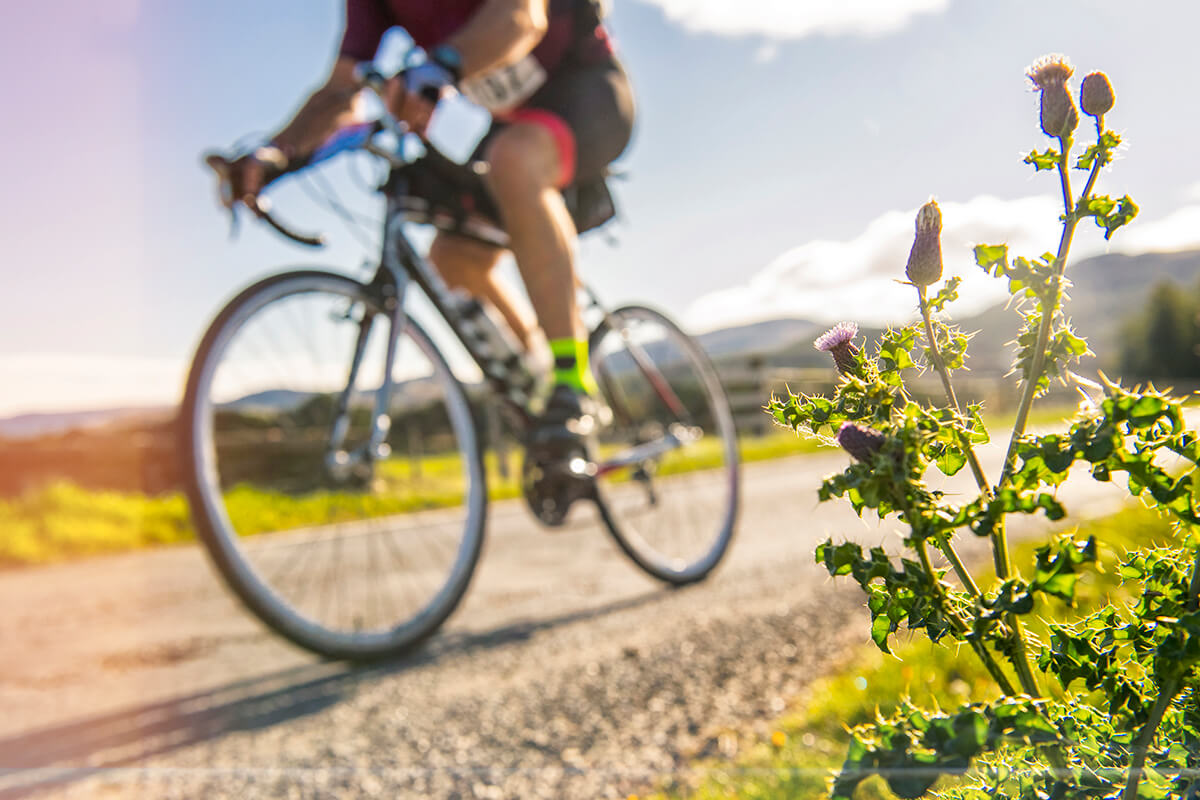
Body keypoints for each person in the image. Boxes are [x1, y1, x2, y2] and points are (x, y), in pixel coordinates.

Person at [222, 0, 636, 448]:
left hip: (587, 93)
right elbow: (342, 91)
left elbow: (521, 18)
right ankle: (540, 378)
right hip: (513, 123)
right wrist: (276, 154)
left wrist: (443, 65)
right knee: (453, 258)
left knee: (514, 161)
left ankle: (573, 381)